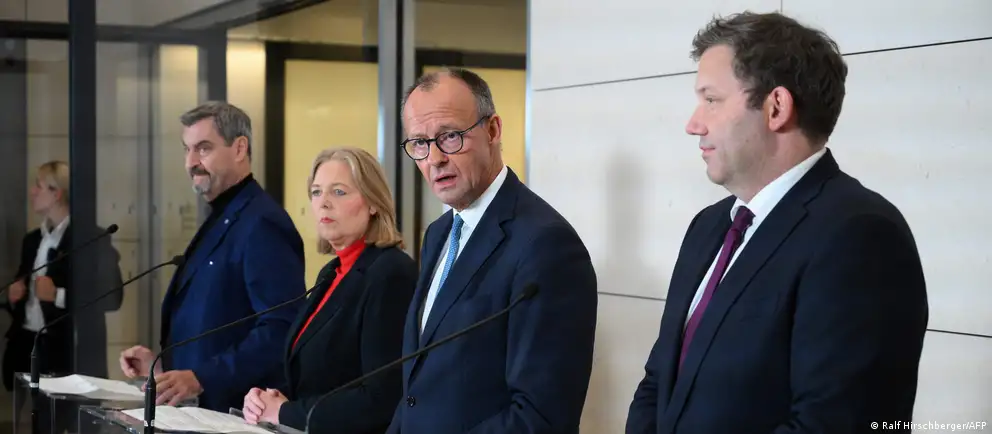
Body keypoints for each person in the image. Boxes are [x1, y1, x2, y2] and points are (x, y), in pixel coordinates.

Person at [625, 11, 929, 434]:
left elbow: (832, 424)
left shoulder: (860, 235)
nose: (693, 124)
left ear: (776, 107)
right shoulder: (708, 227)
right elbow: (659, 382)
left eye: (711, 100)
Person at [386, 68, 598, 434]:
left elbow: (541, 416)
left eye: (449, 136)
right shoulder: (438, 234)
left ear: (493, 130)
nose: (434, 158)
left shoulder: (547, 245)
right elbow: (417, 390)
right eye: (419, 143)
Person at [119, 101, 307, 412]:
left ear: (239, 148)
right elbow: (216, 321)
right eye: (187, 149)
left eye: (203, 149)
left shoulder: (262, 222)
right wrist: (166, 368)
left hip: (236, 414)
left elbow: (279, 329)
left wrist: (202, 377)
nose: (190, 162)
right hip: (197, 411)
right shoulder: (223, 215)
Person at [240, 147, 417, 433]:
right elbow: (314, 378)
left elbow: (382, 398)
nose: (323, 203)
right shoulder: (331, 272)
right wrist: (265, 399)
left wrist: (286, 412)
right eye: (316, 192)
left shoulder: (391, 273)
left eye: (338, 192)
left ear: (373, 203)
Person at [4, 161, 124, 432]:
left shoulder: (91, 238)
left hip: (71, 354)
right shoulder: (32, 240)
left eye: (39, 186)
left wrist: (58, 295)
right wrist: (15, 294)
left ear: (57, 193)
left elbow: (112, 297)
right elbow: (27, 297)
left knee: (75, 425)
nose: (32, 192)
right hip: (31, 351)